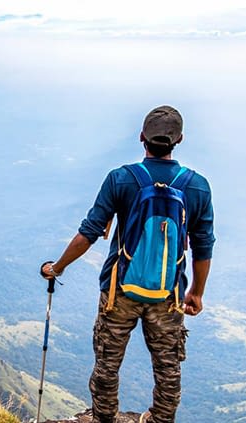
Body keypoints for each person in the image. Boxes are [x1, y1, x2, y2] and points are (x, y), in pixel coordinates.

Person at [40, 105, 215, 423]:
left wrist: (58, 267)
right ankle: (160, 419)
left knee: (108, 362)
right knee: (168, 366)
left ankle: (104, 418)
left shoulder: (121, 179)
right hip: (168, 294)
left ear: (142, 138)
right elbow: (203, 246)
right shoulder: (197, 186)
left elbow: (88, 233)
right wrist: (196, 293)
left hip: (118, 290)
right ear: (180, 140)